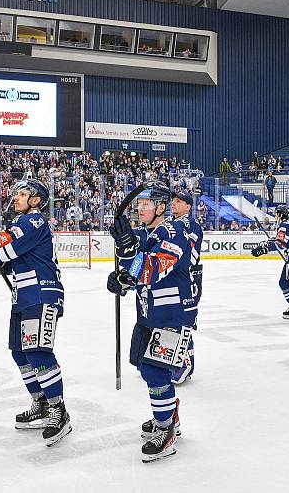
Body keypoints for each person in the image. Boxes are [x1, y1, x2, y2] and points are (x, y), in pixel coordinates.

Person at [0, 179, 71, 447]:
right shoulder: (21, 225)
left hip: (41, 294)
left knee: (38, 352)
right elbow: (4, 257)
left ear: (35, 200)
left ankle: (58, 409)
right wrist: (0, 261)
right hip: (24, 296)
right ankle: (41, 402)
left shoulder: (33, 222)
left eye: (22, 194)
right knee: (20, 352)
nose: (15, 197)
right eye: (16, 193)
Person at [107, 181, 193, 463]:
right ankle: (169, 415)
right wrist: (123, 279)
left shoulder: (175, 231)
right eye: (139, 204)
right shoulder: (147, 233)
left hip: (170, 315)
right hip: (147, 313)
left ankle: (166, 428)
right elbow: (136, 271)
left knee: (157, 372)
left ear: (160, 207)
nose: (140, 208)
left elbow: (152, 269)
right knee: (144, 368)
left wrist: (130, 254)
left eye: (146, 204)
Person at [168, 189, 203, 384]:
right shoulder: (171, 224)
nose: (174, 203)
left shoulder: (191, 226)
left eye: (179, 201)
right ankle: (168, 359)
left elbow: (183, 252)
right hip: (173, 277)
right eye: (173, 200)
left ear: (188, 206)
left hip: (186, 278)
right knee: (170, 317)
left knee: (183, 320)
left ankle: (185, 363)